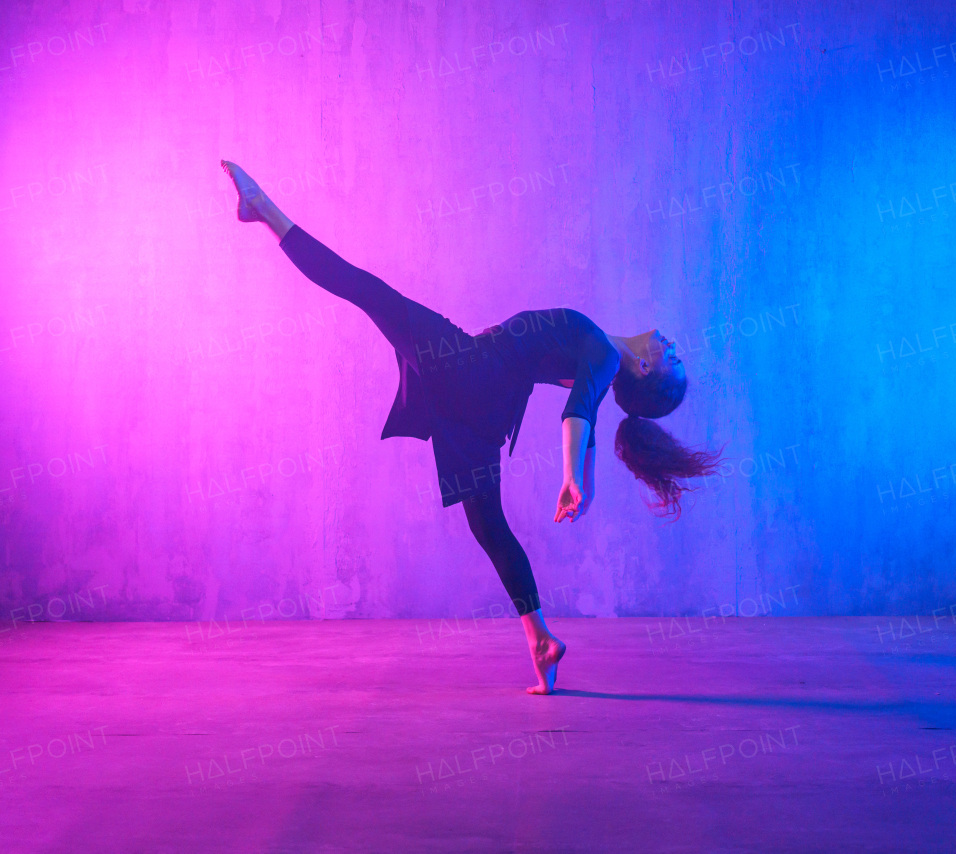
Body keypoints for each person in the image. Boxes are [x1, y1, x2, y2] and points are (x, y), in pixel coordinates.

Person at [219, 161, 721, 694]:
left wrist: (574, 477)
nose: (672, 346)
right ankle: (541, 640)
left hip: (467, 367)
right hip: (483, 412)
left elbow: (577, 414)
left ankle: (264, 209)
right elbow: (588, 415)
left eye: (674, 360)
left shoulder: (601, 354)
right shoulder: (602, 363)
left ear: (645, 370)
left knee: (365, 290)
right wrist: (586, 484)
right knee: (490, 529)